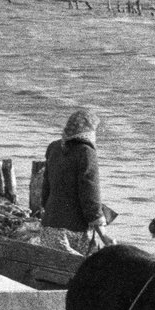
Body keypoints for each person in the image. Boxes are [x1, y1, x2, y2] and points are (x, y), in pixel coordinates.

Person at [40, 108, 114, 255]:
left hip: (49, 226)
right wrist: (103, 234)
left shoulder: (54, 147)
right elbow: (90, 194)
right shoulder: (86, 152)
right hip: (74, 230)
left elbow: (45, 190)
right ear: (90, 131)